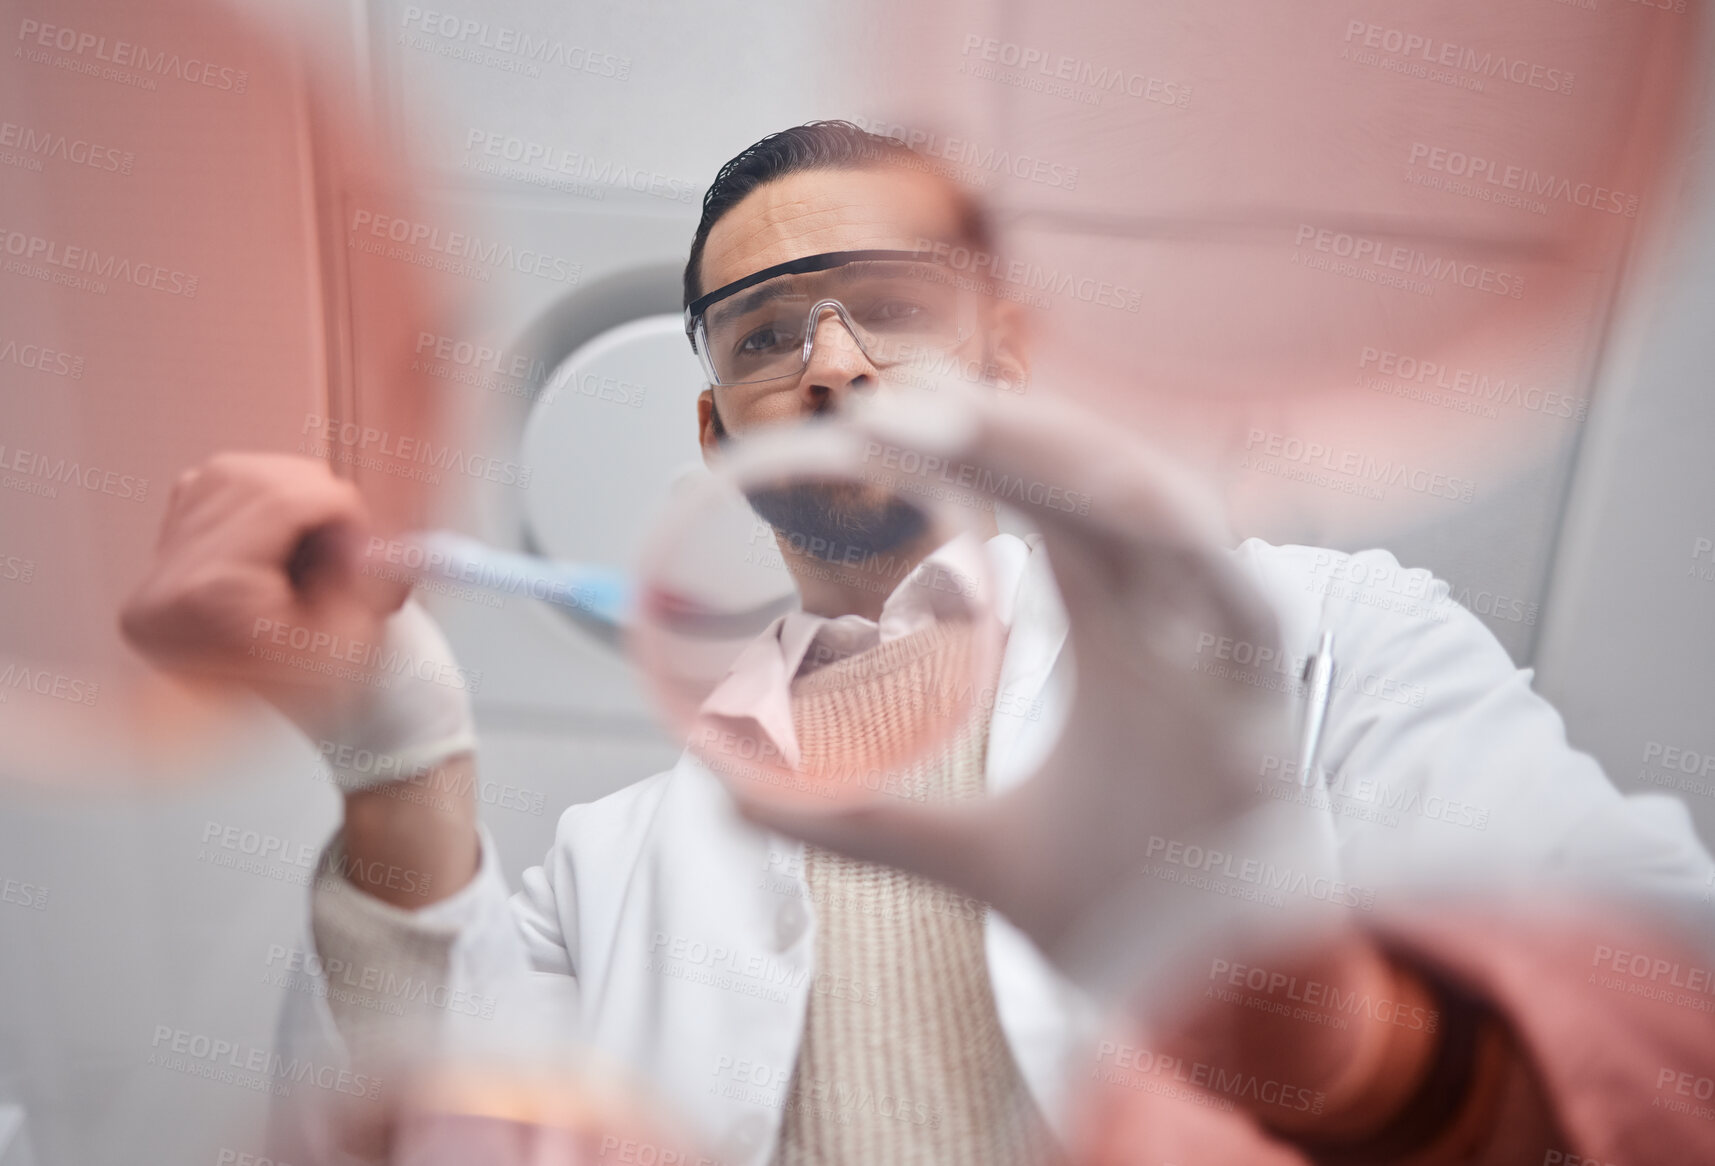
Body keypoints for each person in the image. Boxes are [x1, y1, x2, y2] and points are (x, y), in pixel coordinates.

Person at [120, 122, 1715, 1166]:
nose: (829, 363)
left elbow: (1668, 1016)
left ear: (1004, 349)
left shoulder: (1323, 641)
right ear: (715, 424)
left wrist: (1340, 1035)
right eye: (762, 336)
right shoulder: (610, 877)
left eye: (888, 303)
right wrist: (392, 755)